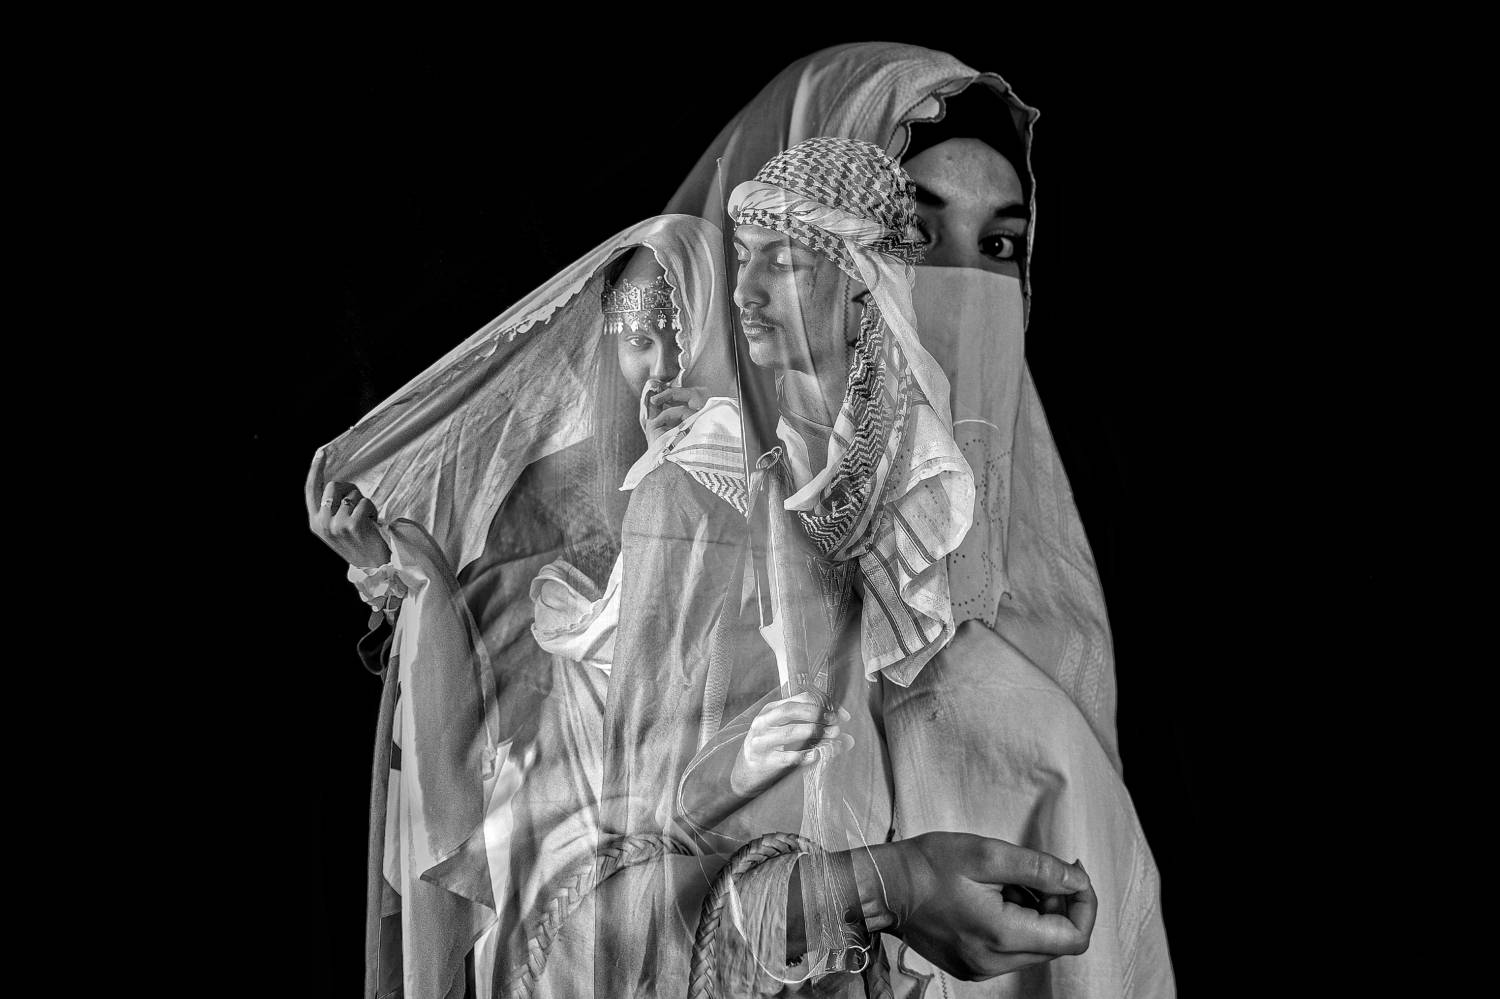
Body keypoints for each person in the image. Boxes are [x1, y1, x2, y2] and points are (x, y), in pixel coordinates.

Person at [667, 44, 1174, 997]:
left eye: (1000, 249)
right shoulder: (666, 558)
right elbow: (554, 925)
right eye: (913, 236)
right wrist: (878, 888)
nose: (961, 295)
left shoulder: (1041, 685)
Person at [588, 137, 1098, 997]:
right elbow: (621, 860)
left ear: (864, 293)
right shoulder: (693, 495)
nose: (745, 292)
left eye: (782, 262)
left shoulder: (914, 503)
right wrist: (742, 768)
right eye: (744, 258)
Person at [308, 214, 736, 999]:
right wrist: (391, 574)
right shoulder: (554, 486)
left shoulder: (764, 472)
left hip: (715, 802)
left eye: (685, 337)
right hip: (567, 832)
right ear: (607, 346)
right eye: (639, 341)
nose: (663, 370)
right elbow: (477, 664)